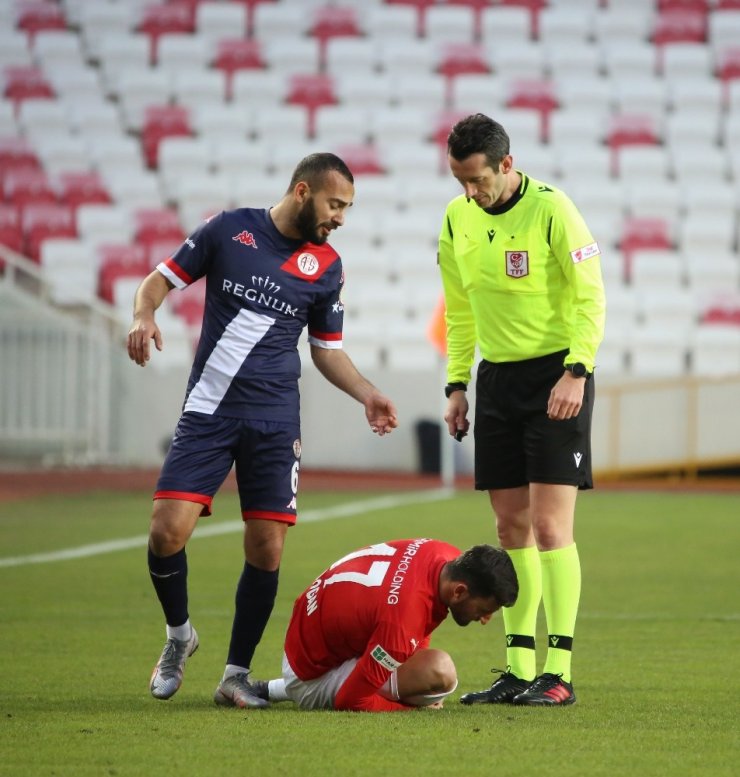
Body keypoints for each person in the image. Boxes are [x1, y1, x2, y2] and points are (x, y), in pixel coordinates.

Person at [127, 152, 399, 708]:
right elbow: (158, 282)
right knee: (165, 532)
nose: (340, 218)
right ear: (303, 192)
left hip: (276, 421)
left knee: (267, 546)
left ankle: (235, 674)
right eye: (335, 204)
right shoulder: (229, 231)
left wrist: (367, 393)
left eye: (347, 208)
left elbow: (328, 353)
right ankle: (180, 636)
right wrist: (143, 315)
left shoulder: (327, 267)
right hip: (209, 410)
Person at [437, 114, 606, 706]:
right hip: (497, 382)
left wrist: (577, 370)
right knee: (509, 529)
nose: (469, 193)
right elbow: (459, 311)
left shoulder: (555, 210)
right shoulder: (457, 219)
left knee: (550, 526)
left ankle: (557, 672)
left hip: (556, 375)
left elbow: (591, 296)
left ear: (506, 166)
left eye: (477, 180)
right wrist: (458, 384)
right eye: (460, 181)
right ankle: (517, 667)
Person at [251, 539, 518, 712]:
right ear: (459, 592)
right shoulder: (402, 622)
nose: (485, 619)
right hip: (310, 677)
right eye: (484, 610)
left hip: (307, 639)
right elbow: (351, 701)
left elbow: (417, 621)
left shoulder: (443, 554)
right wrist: (413, 708)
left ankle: (268, 688)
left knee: (405, 656)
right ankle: (294, 689)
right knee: (440, 673)